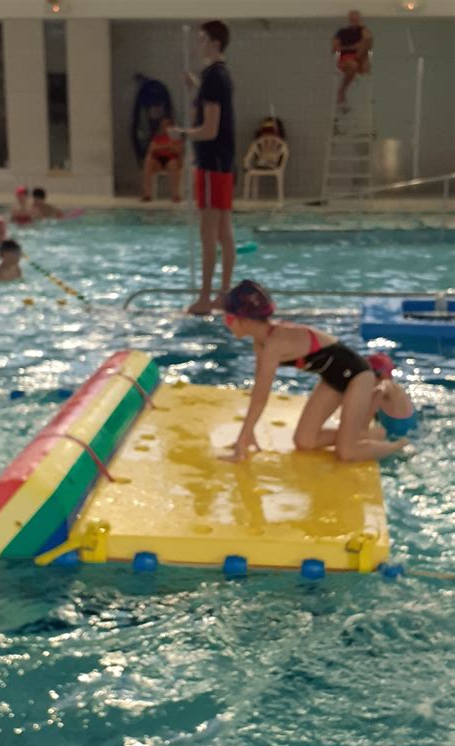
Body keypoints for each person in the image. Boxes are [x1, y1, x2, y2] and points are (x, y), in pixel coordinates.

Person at [222, 280, 408, 462]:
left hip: (358, 376)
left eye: (228, 319)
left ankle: (399, 447)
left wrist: (243, 438)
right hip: (333, 378)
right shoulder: (261, 342)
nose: (226, 324)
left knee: (347, 453)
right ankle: (368, 435)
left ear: (243, 320)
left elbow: (261, 396)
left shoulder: (274, 344)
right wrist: (248, 432)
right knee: (305, 441)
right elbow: (258, 392)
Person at [171, 20, 235, 315]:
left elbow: (209, 129)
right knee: (223, 231)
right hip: (224, 162)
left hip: (210, 164)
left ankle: (204, 300)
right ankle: (222, 295)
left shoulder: (213, 78)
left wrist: (181, 133)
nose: (199, 45)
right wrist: (196, 87)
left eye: (202, 40)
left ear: (214, 43)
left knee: (208, 233)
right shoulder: (220, 75)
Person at [366, 353, 418, 438]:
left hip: (398, 438)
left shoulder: (386, 385)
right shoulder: (397, 389)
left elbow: (383, 387)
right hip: (411, 432)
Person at [332, 10, 373, 106]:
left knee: (367, 41)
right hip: (346, 59)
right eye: (353, 18)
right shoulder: (342, 32)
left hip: (361, 57)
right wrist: (352, 47)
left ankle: (360, 60)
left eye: (357, 19)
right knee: (353, 65)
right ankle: (341, 91)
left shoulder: (363, 31)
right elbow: (334, 48)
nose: (355, 20)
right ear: (349, 19)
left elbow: (367, 41)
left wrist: (362, 29)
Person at [141, 118, 183, 202]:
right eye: (163, 126)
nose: (165, 127)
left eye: (167, 125)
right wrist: (167, 146)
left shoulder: (176, 138)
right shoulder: (157, 138)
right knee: (148, 161)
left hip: (171, 159)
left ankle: (175, 195)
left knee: (173, 164)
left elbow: (177, 150)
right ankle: (147, 195)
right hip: (158, 160)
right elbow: (152, 149)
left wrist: (161, 147)